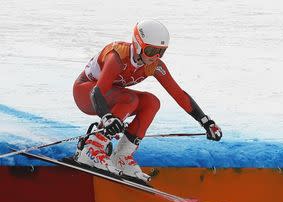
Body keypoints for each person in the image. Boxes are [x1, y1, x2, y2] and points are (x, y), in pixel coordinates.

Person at [72, 20, 222, 182]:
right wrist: (107, 118)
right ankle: (92, 149)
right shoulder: (117, 57)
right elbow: (97, 92)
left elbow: (179, 95)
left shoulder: (155, 65)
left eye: (161, 52)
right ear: (137, 45)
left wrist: (206, 122)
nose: (155, 57)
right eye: (151, 51)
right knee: (130, 99)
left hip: (110, 97)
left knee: (151, 102)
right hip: (85, 93)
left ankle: (122, 156)